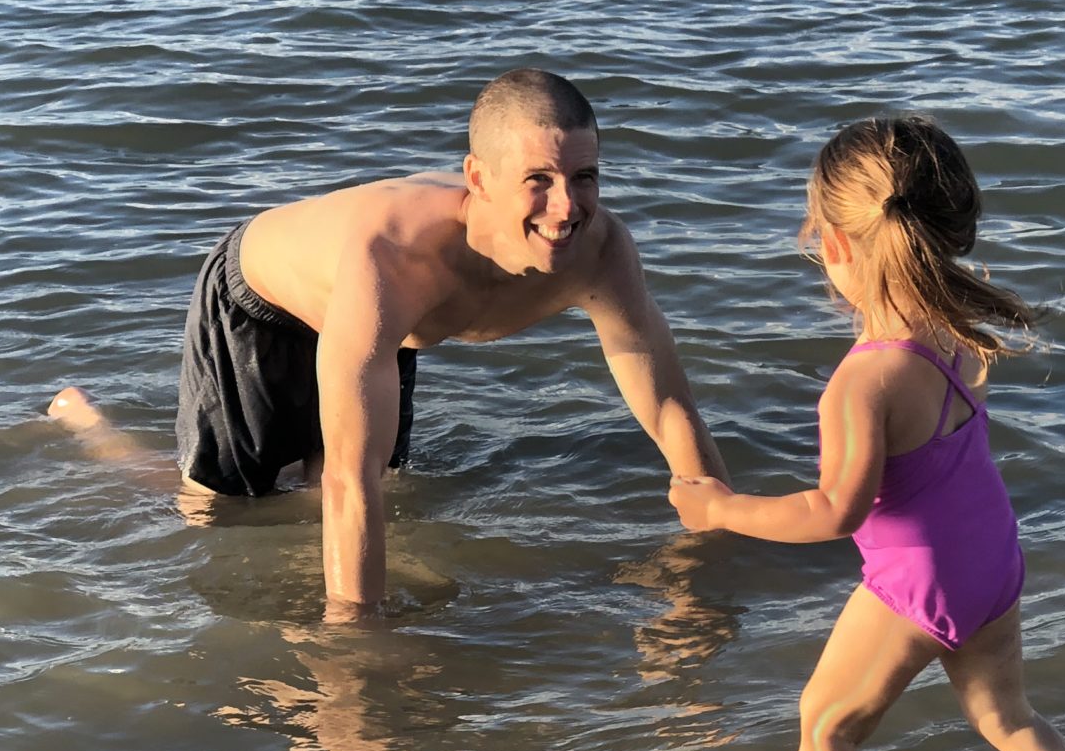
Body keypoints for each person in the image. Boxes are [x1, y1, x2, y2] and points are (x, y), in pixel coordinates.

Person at [48, 68, 727, 621]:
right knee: (217, 512)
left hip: (381, 324)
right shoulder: (397, 259)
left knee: (352, 492)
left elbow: (668, 404)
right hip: (261, 302)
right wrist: (356, 648)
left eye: (585, 178)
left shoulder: (602, 253)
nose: (567, 208)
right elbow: (352, 480)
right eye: (539, 182)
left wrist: (721, 554)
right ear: (479, 179)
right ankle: (87, 424)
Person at [667, 114, 1065, 751]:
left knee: (827, 723)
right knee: (1009, 718)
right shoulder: (957, 338)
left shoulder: (861, 382)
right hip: (993, 563)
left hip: (919, 584)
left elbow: (834, 512)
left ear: (836, 245)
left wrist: (723, 509)